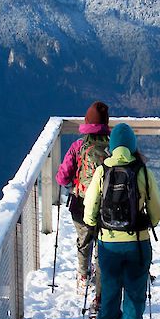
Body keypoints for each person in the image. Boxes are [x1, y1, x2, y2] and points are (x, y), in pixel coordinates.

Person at [82, 122, 160, 319]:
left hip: (108, 244)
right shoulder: (142, 171)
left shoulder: (102, 170)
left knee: (110, 290)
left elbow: (89, 209)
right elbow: (156, 210)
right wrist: (145, 224)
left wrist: (97, 228)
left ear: (113, 145)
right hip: (137, 244)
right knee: (134, 296)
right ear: (133, 145)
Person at [56, 101, 111, 303]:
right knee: (102, 245)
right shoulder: (113, 147)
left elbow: (62, 177)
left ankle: (82, 276)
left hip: (81, 204)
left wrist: (71, 183)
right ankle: (100, 282)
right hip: (107, 207)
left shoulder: (78, 146)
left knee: (84, 240)